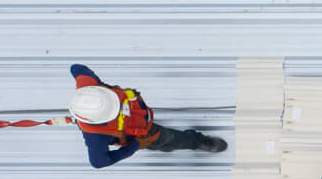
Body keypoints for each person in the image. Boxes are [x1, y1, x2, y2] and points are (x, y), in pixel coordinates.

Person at [67, 64, 227, 169]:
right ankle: (197, 141)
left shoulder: (89, 88)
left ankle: (165, 144)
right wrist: (135, 145)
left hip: (139, 114)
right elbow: (99, 162)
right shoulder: (96, 137)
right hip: (143, 133)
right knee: (167, 138)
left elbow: (76, 68)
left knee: (162, 141)